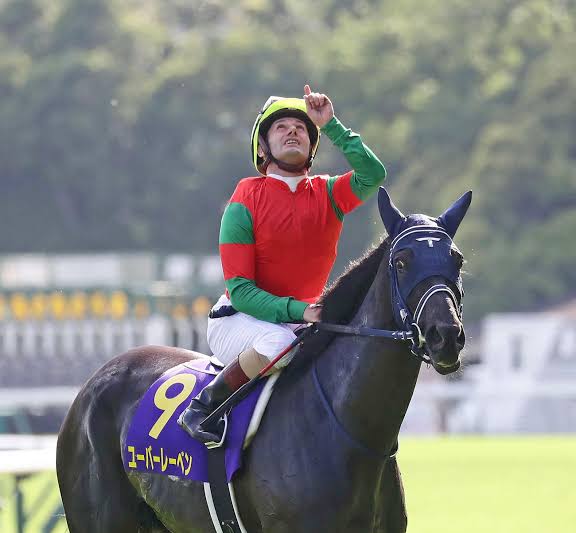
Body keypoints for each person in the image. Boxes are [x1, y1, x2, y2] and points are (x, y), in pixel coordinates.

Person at [178, 85, 387, 444]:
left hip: (303, 321)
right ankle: (204, 406)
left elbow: (373, 174)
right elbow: (241, 292)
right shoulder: (245, 197)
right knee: (279, 343)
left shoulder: (329, 194)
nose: (293, 131)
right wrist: (299, 311)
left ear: (312, 145)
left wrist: (331, 124)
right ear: (263, 148)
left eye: (301, 128)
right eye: (281, 127)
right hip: (240, 320)